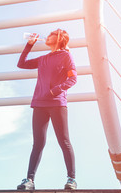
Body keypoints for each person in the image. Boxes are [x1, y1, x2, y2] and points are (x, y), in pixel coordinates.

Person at [16, 29, 77, 190]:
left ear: (59, 39)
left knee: (64, 141)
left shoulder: (66, 56)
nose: (47, 36)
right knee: (37, 143)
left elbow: (73, 78)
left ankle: (71, 179)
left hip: (57, 103)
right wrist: (29, 45)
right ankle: (30, 180)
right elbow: (21, 64)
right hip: (39, 104)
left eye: (51, 34)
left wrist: (54, 91)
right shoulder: (43, 59)